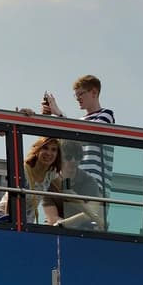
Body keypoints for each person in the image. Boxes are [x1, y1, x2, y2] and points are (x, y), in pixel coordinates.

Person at [42, 74, 115, 229]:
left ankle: (60, 225)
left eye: (81, 94)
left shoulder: (106, 114)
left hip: (96, 184)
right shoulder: (79, 122)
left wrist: (59, 114)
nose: (78, 98)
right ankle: (60, 225)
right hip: (78, 182)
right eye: (76, 95)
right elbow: (67, 140)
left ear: (94, 92)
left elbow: (89, 134)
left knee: (91, 224)